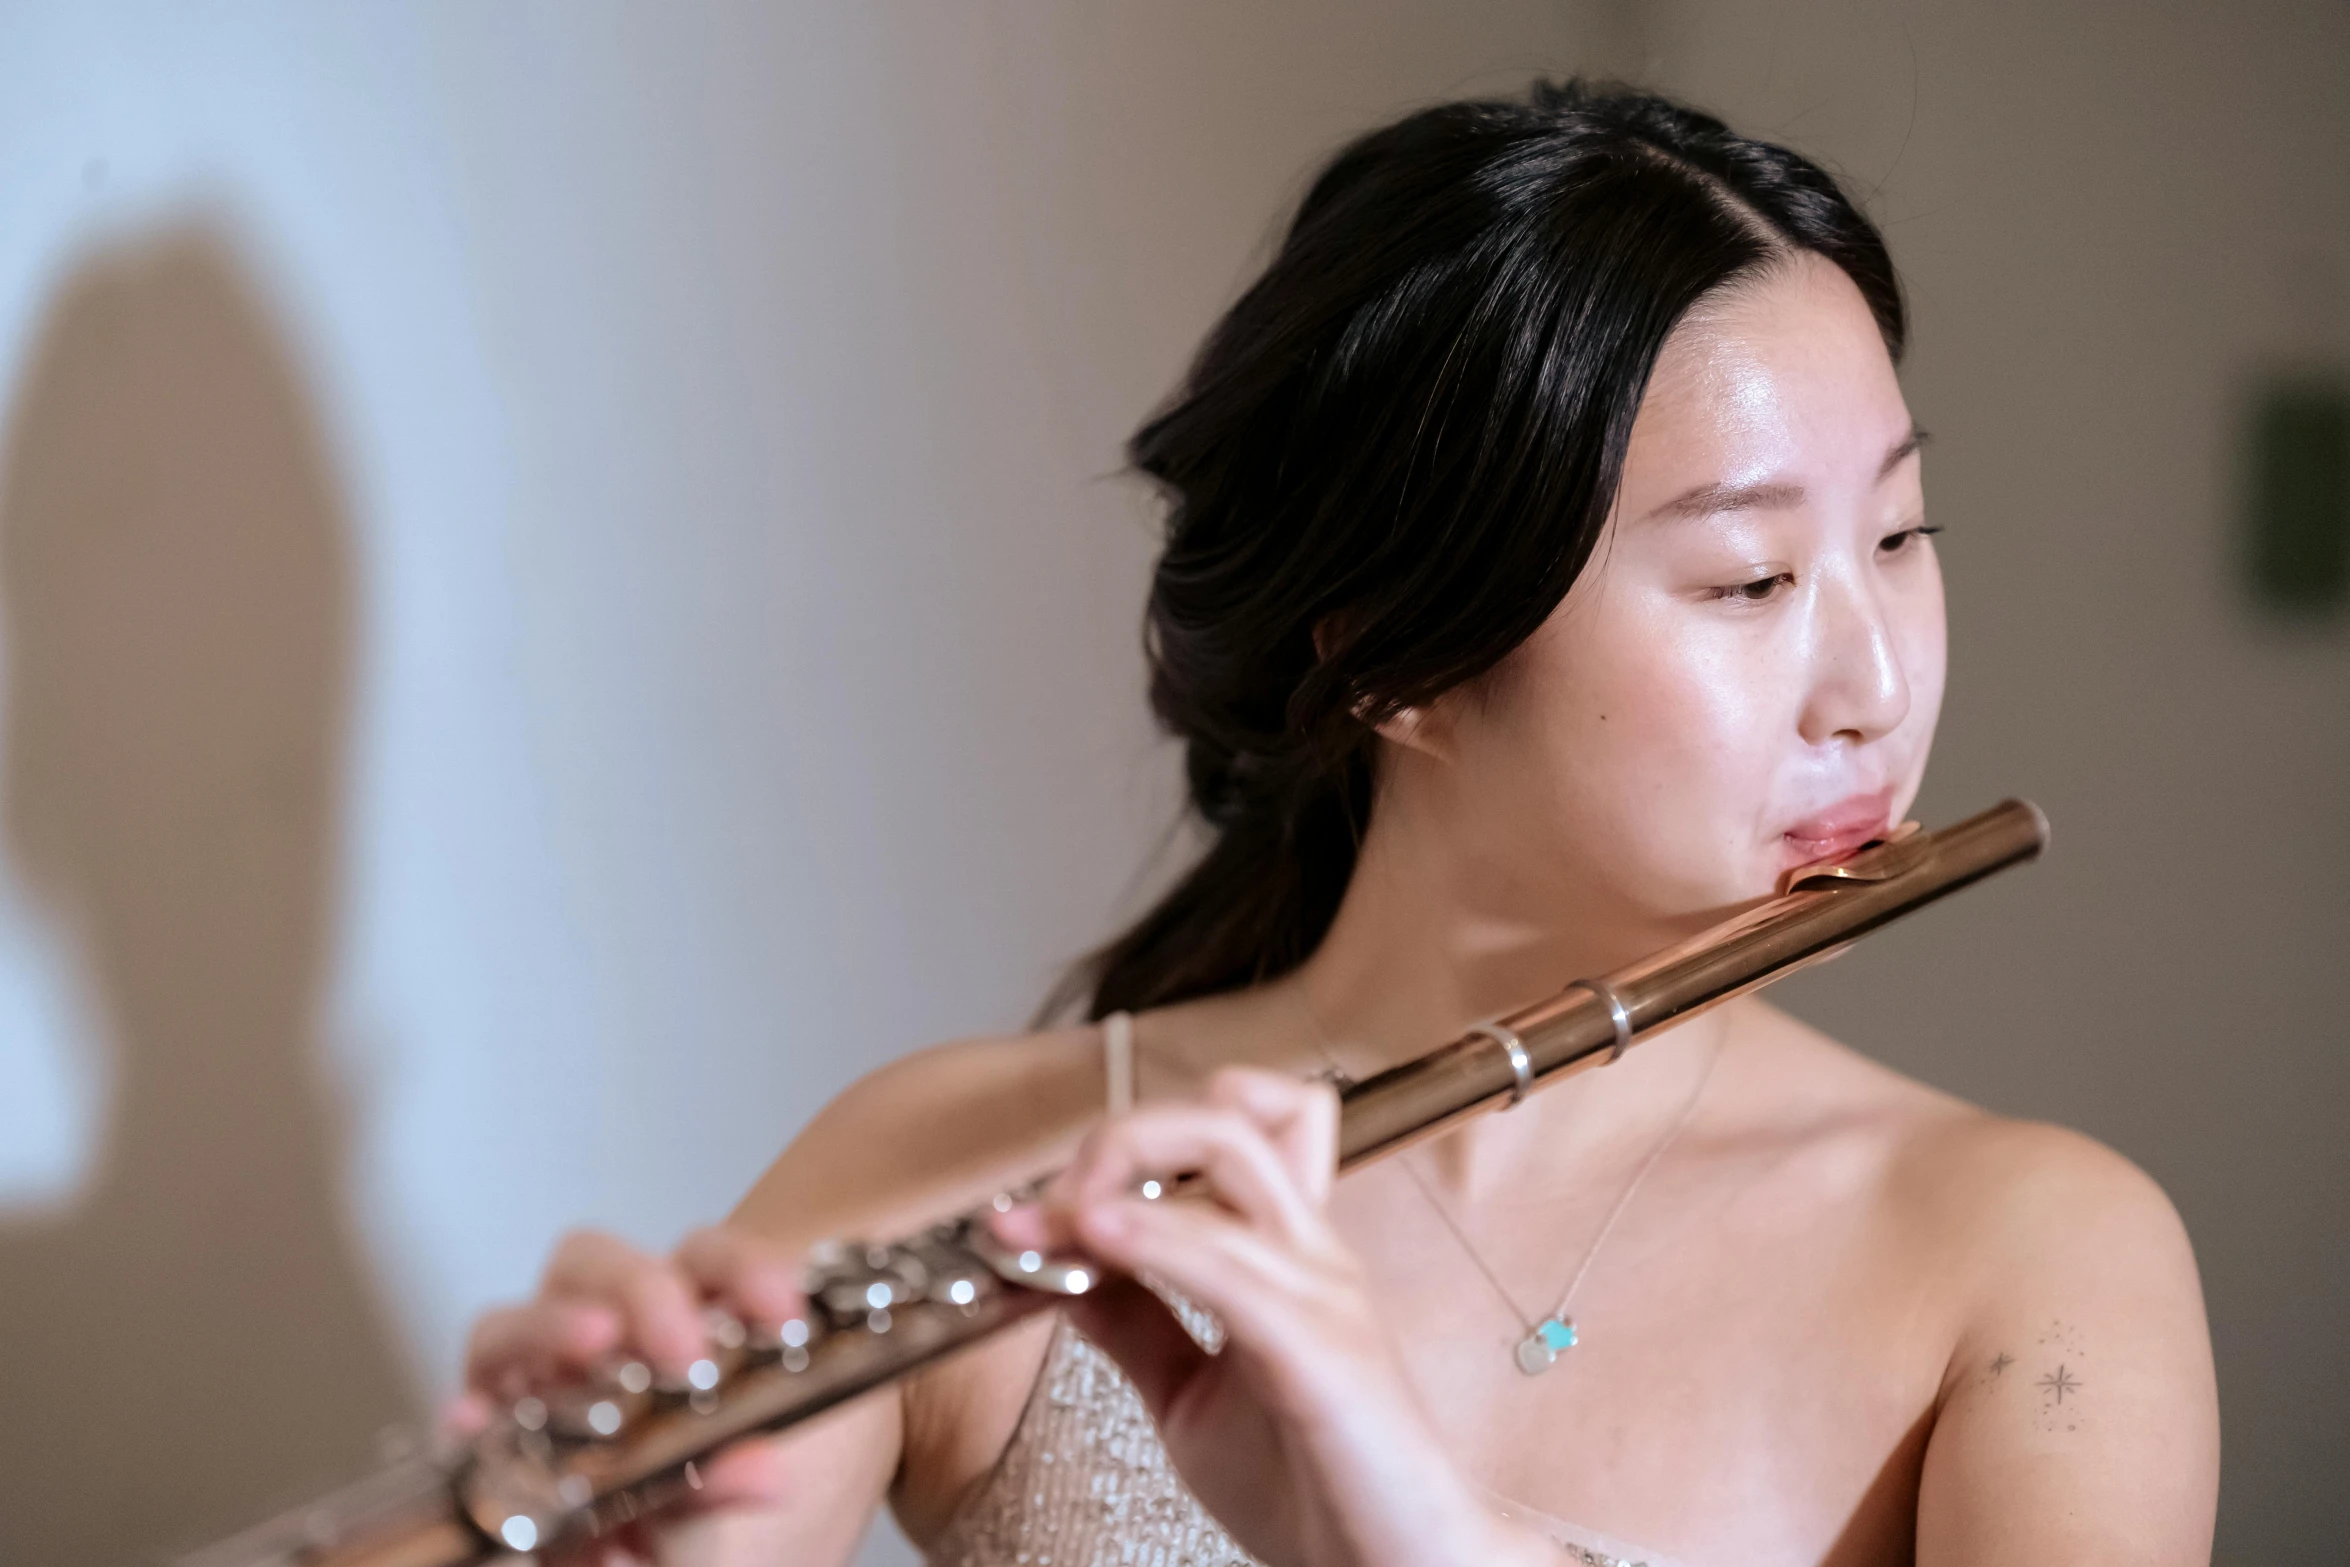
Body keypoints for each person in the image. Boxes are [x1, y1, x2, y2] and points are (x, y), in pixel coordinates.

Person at [452, 81, 2219, 1566]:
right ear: (1394, 657)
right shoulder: (990, 1164)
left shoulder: (2031, 1252)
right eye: (1750, 575)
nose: (1874, 680)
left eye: (1901, 538)